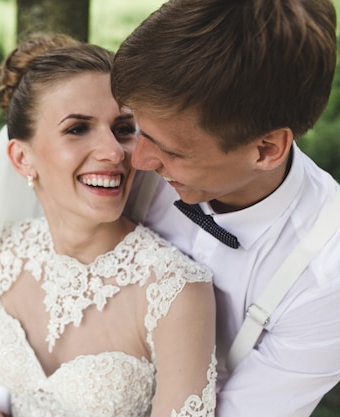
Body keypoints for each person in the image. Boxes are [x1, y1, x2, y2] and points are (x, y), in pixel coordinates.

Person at [0, 33, 218, 417]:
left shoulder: (174, 291)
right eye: (78, 128)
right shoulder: (8, 252)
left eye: (123, 129)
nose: (113, 152)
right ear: (22, 158)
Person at [110, 0, 340, 416]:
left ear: (266, 149)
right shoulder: (117, 155)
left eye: (170, 151)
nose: (137, 160)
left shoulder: (328, 278)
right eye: (138, 129)